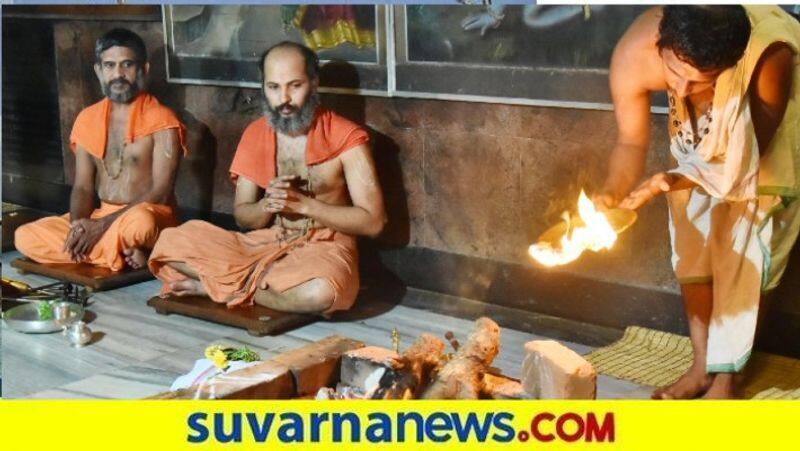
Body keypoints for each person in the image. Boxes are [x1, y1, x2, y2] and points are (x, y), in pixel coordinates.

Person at [595, 6, 800, 399]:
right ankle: (702, 366)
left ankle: (727, 380)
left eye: (702, 81)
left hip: (762, 149)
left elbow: (746, 161)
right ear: (660, 45)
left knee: (749, 245)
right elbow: (630, 142)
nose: (684, 91)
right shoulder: (632, 55)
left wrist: (668, 179)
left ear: (731, 65)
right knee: (692, 237)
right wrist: (612, 193)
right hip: (696, 143)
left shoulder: (766, 56)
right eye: (674, 75)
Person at [148, 41, 386, 316]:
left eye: (294, 85)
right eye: (273, 87)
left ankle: (216, 286)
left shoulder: (348, 137)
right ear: (263, 88)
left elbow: (374, 222)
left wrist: (305, 206)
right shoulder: (256, 133)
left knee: (322, 292)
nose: (283, 98)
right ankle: (255, 288)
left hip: (324, 249)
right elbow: (243, 216)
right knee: (169, 242)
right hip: (267, 243)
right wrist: (266, 206)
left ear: (313, 83)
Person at [15, 28, 187, 271]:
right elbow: (83, 187)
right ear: (98, 71)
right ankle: (123, 253)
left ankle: (118, 250)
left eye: (127, 64)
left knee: (142, 224)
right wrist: (79, 228)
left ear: (144, 69)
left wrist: (102, 226)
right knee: (24, 236)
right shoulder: (87, 118)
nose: (118, 74)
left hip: (144, 214)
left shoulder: (163, 120)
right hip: (103, 216)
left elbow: (160, 192)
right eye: (109, 65)